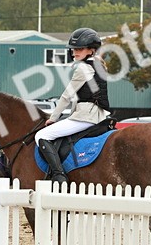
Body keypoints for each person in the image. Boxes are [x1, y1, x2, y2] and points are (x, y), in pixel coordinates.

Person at [34, 28, 112, 184]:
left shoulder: (83, 68)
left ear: (91, 50)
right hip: (99, 115)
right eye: (74, 49)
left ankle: (59, 175)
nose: (75, 52)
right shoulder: (97, 65)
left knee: (41, 136)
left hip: (86, 117)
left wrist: (53, 118)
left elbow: (66, 96)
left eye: (80, 49)